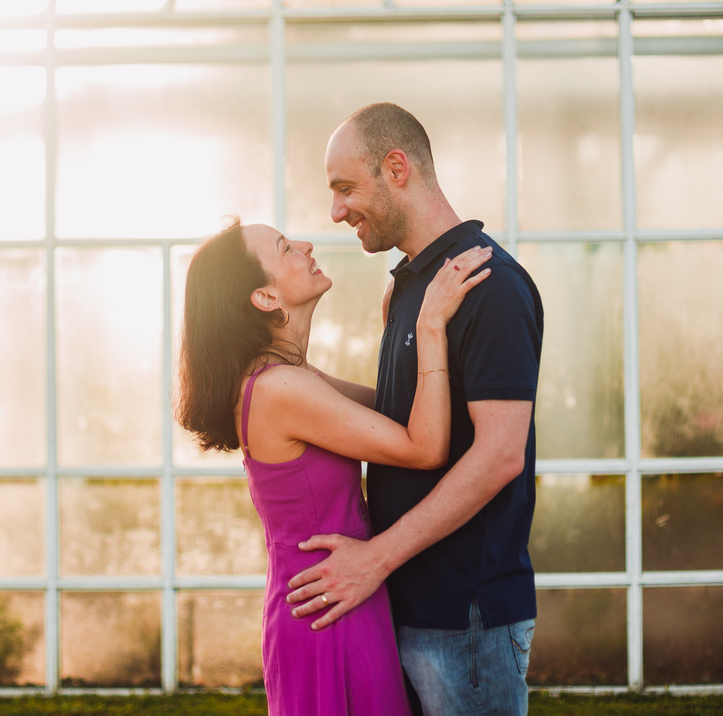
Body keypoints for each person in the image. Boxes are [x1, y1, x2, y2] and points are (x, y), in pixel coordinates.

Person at [284, 103, 544, 716]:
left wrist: (375, 558)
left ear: (396, 167)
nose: (336, 212)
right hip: (404, 603)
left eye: (345, 188)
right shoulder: (413, 286)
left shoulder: (490, 286)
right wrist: (287, 381)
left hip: (466, 617)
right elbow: (404, 421)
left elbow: (501, 455)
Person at [174, 215, 492, 716]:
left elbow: (386, 414)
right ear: (265, 297)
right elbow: (423, 446)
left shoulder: (285, 375)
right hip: (328, 607)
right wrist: (429, 325)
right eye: (284, 248)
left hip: (333, 592)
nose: (304, 244)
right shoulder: (281, 389)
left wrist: (397, 331)